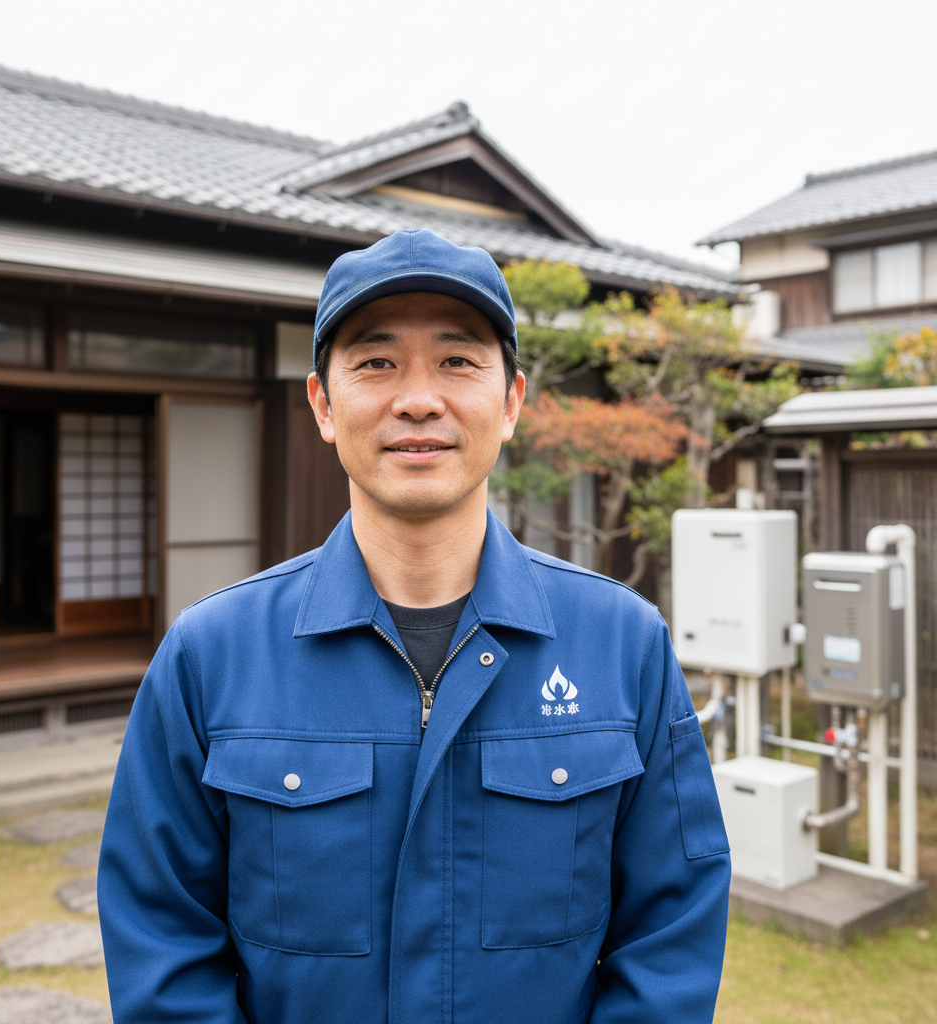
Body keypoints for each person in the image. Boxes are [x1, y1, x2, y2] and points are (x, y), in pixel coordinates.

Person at [98, 228, 730, 1024]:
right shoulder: (210, 654)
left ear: (511, 404)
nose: (419, 398)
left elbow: (671, 936)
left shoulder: (622, 643)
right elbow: (162, 943)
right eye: (376, 362)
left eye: (458, 360)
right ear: (324, 406)